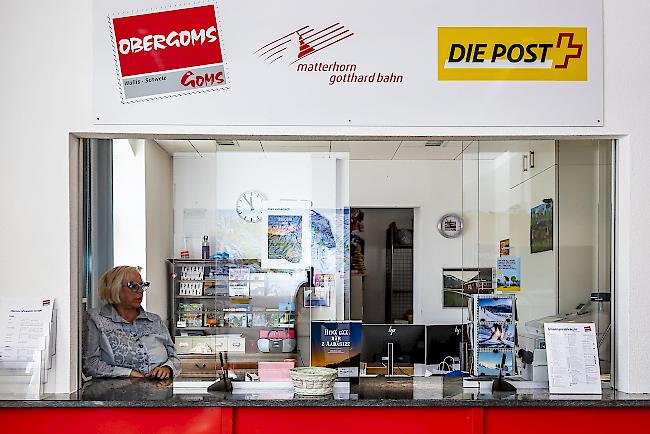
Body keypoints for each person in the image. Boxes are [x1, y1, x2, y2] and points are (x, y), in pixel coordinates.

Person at [83, 266, 181, 379]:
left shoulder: (155, 321)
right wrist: (129, 373)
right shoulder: (95, 320)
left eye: (142, 286)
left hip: (158, 392)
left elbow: (174, 357)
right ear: (114, 288)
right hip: (116, 394)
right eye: (133, 286)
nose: (140, 291)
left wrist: (167, 368)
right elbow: (90, 364)